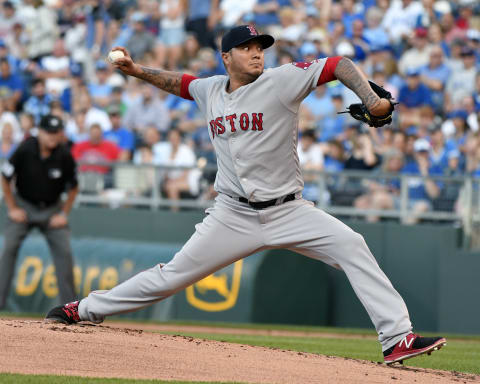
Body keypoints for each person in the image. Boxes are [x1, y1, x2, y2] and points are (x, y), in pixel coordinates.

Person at [45, 24, 446, 365]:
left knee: (352, 245)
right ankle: (84, 309)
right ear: (226, 57)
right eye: (247, 48)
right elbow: (179, 83)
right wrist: (135, 71)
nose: (257, 54)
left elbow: (337, 64)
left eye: (260, 48)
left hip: (290, 210)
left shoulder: (282, 80)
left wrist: (372, 100)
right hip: (232, 215)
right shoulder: (211, 90)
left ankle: (396, 339)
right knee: (170, 277)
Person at [0, 114, 78, 310]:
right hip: (24, 207)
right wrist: (12, 208)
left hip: (52, 210)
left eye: (57, 133)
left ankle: (70, 310)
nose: (53, 137)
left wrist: (63, 214)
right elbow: (4, 177)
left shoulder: (64, 154)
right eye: (49, 132)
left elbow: (74, 187)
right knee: (7, 249)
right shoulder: (26, 148)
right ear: (40, 132)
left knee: (65, 253)